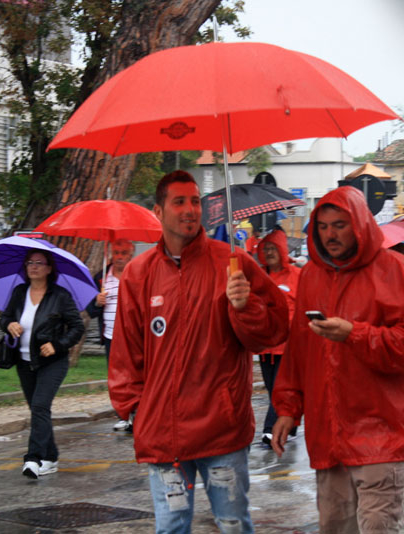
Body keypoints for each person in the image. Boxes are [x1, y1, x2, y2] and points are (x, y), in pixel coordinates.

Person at [109, 170, 289, 533]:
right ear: (158, 212)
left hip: (222, 430)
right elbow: (126, 353)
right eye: (179, 202)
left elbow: (273, 332)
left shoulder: (233, 263)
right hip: (164, 433)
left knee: (233, 523)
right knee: (172, 526)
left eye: (195, 201)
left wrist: (246, 306)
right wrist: (136, 408)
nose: (190, 209)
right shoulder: (137, 275)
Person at [271, 186, 404, 534]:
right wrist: (288, 408)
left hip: (381, 436)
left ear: (359, 224)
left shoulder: (396, 269)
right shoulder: (313, 276)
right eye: (324, 226)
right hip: (328, 439)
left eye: (340, 225)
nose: (330, 234)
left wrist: (356, 334)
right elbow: (299, 349)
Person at [0, 249, 85, 479]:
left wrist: (57, 344)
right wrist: (9, 325)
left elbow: (77, 327)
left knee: (39, 406)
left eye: (39, 262)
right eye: (29, 262)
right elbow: (4, 317)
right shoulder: (19, 292)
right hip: (24, 361)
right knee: (39, 410)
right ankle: (51, 456)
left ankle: (33, 459)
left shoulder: (60, 296)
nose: (33, 266)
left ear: (49, 268)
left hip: (52, 362)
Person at [256, 228, 300, 447]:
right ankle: (290, 425)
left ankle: (270, 429)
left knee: (278, 389)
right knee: (271, 388)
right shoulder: (260, 276)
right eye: (266, 249)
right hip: (265, 346)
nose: (269, 252)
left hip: (288, 346)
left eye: (273, 248)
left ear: (282, 250)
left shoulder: (296, 275)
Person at [85, 239, 135, 432]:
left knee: (136, 376)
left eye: (123, 253)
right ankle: (122, 415)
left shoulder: (138, 274)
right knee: (116, 379)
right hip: (110, 336)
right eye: (116, 252)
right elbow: (90, 310)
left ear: (131, 255)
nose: (119, 257)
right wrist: (97, 303)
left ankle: (137, 414)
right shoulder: (101, 278)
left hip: (133, 336)